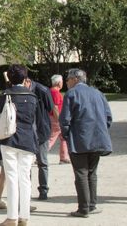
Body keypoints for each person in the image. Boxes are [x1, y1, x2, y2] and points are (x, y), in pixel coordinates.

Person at [0, 65, 41, 226]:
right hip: (27, 140)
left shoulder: (5, 95)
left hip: (9, 139)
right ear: (25, 78)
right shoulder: (32, 96)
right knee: (25, 178)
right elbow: (35, 119)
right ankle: (24, 216)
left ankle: (12, 217)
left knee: (12, 178)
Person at [60, 68, 112, 217]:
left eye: (68, 79)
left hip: (79, 139)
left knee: (81, 173)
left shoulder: (71, 94)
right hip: (97, 138)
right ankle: (91, 205)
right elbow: (108, 117)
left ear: (75, 79)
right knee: (92, 173)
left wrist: (66, 135)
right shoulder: (98, 93)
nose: (67, 82)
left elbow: (65, 120)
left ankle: (83, 208)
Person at [26, 77, 52, 201]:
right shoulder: (21, 91)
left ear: (27, 81)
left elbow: (50, 108)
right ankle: (27, 191)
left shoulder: (42, 90)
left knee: (42, 162)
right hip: (28, 133)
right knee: (26, 164)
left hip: (41, 130)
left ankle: (43, 190)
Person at [48, 75, 70, 164]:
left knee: (63, 137)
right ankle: (40, 156)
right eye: (62, 81)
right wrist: (58, 120)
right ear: (59, 83)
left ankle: (64, 157)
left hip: (51, 117)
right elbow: (55, 108)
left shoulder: (49, 91)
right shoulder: (56, 93)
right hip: (56, 118)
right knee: (51, 138)